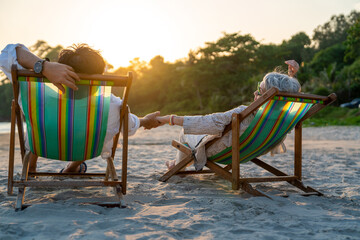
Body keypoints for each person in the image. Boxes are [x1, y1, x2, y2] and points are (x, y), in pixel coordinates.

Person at [0, 43, 162, 173]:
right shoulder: (110, 106)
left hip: (42, 145)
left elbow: (7, 53)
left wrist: (45, 67)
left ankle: (31, 166)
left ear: (59, 71)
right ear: (98, 78)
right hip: (85, 150)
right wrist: (146, 120)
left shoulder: (34, 92)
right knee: (93, 127)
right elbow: (130, 123)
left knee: (43, 120)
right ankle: (72, 167)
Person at [157, 61, 300, 170]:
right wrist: (291, 77)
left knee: (185, 131)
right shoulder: (285, 116)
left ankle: (177, 165)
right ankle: (178, 163)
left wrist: (169, 119)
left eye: (259, 90)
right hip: (252, 150)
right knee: (196, 136)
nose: (255, 93)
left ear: (267, 97)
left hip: (224, 151)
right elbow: (288, 95)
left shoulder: (245, 112)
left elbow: (208, 121)